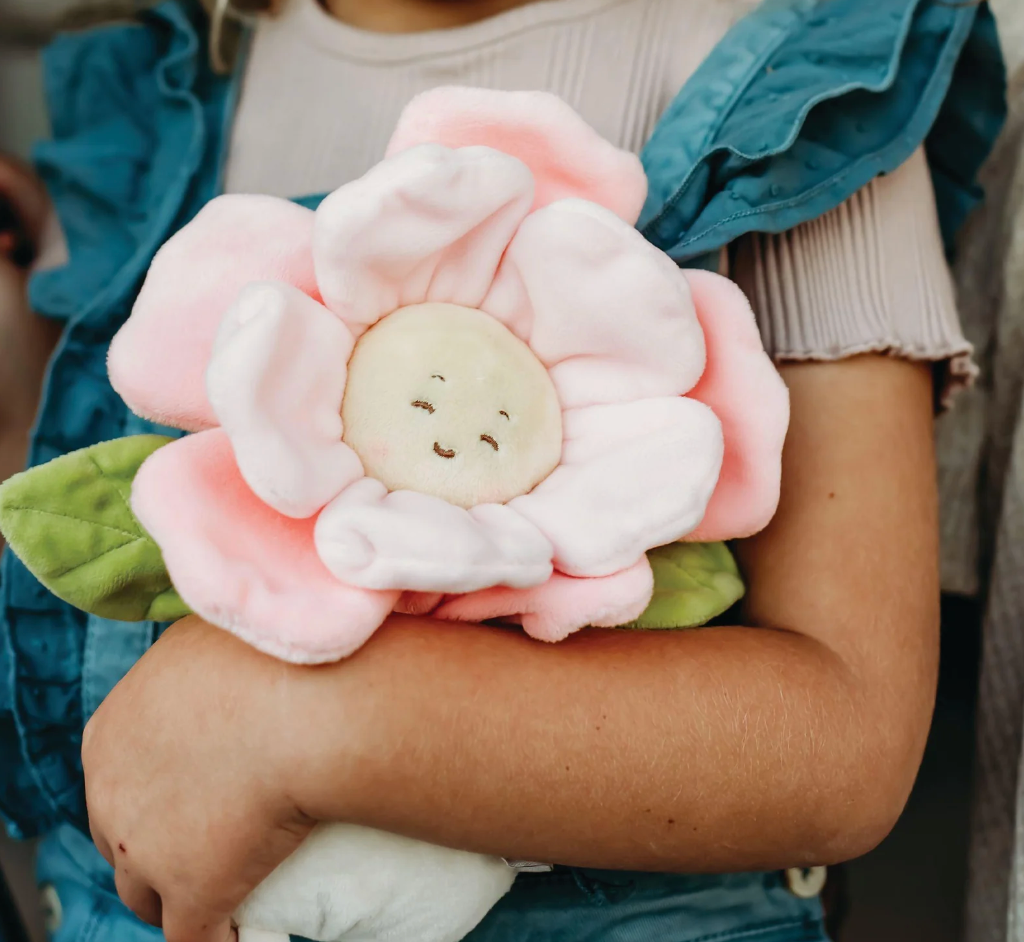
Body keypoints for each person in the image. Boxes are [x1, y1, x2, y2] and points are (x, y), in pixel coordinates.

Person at [0, 1, 1005, 941]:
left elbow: (841, 751)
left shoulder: (799, 94)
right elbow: (69, 682)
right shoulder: (164, 92)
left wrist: (299, 713)